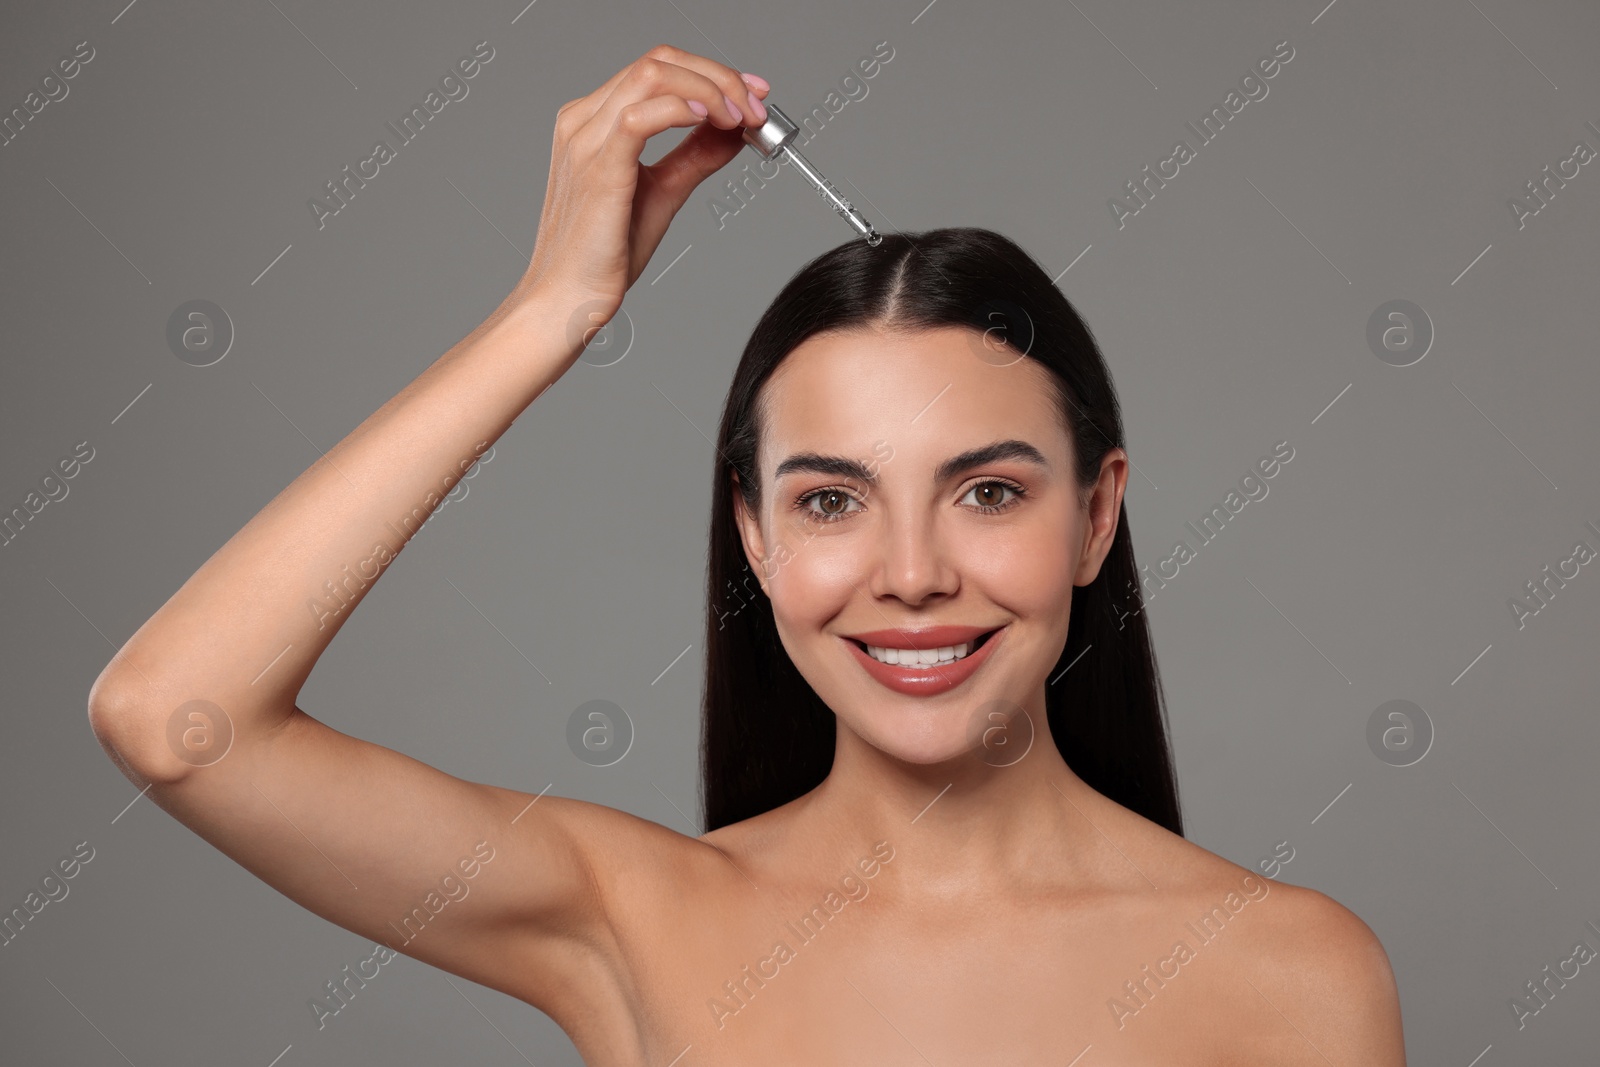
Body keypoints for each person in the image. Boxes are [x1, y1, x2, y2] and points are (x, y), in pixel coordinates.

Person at [87, 44, 1405, 1065]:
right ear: (755, 536)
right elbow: (175, 720)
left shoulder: (1288, 970)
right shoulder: (633, 915)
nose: (910, 573)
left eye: (987, 491)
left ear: (1096, 516)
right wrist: (551, 313)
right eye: (833, 503)